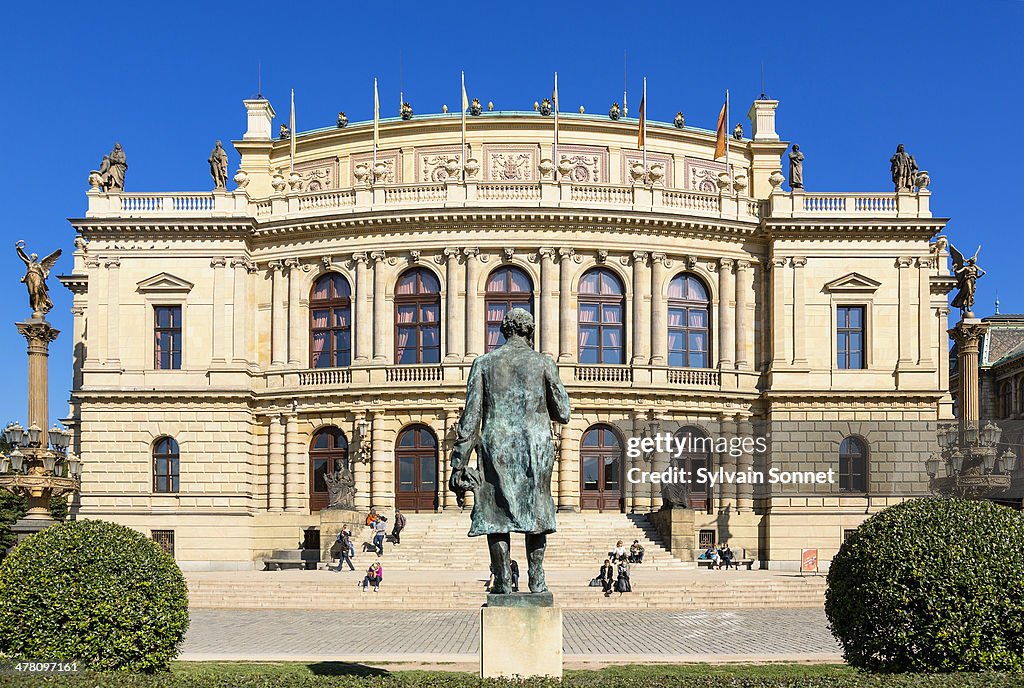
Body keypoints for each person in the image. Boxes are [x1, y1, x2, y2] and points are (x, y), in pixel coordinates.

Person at [448, 308, 571, 596]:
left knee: (495, 514)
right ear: (530, 332)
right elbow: (563, 412)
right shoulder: (544, 363)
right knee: (537, 511)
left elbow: (471, 416)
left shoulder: (483, 364)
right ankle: (537, 579)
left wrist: (458, 462)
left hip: (496, 446)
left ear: (504, 331)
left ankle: (503, 582)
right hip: (535, 447)